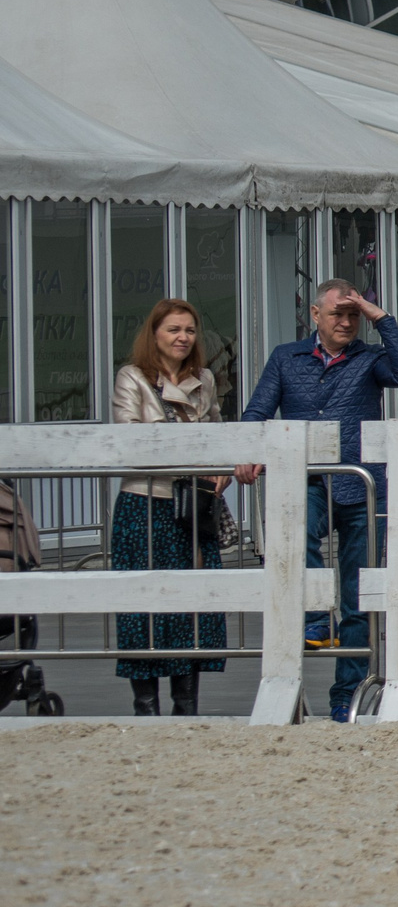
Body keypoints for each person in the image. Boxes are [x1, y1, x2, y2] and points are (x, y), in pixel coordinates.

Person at [237, 279, 398, 722]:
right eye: (337, 313)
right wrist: (248, 450)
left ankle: (347, 695)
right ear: (315, 316)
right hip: (306, 480)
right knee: (297, 542)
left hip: (361, 486)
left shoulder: (370, 358)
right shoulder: (287, 357)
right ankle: (316, 616)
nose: (345, 321)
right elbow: (258, 410)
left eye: (353, 315)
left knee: (358, 595)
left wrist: (382, 318)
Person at [111, 299, 230, 716]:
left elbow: (217, 432)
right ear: (155, 334)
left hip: (193, 508)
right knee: (141, 606)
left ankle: (186, 708)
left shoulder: (206, 378)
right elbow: (131, 439)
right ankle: (146, 708)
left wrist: (222, 470)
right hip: (145, 505)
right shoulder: (132, 377)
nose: (183, 337)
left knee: (190, 608)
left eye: (190, 330)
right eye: (173, 330)